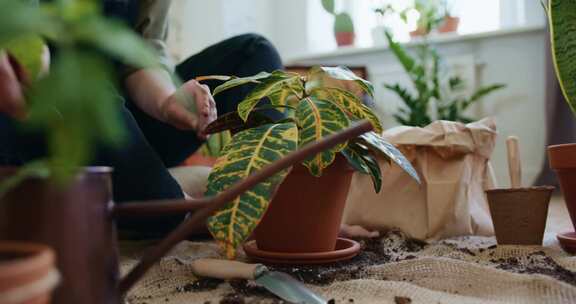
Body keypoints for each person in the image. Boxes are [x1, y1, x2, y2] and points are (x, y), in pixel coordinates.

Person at [0, 0, 283, 235]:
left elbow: (140, 53)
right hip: (44, 122)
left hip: (123, 131)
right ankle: (178, 210)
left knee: (254, 54)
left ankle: (275, 197)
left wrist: (167, 101)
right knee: (91, 94)